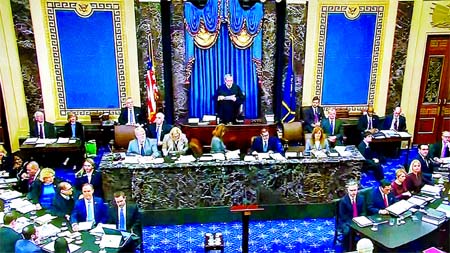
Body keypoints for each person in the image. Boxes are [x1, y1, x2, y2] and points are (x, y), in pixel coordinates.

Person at [338, 180, 366, 252]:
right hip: (347, 222)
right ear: (347, 190)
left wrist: (360, 220)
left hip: (359, 220)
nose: (353, 192)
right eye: (351, 190)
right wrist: (354, 223)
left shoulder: (361, 198)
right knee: (348, 231)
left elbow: (363, 212)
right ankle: (347, 249)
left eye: (355, 190)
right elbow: (343, 216)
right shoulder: (343, 201)